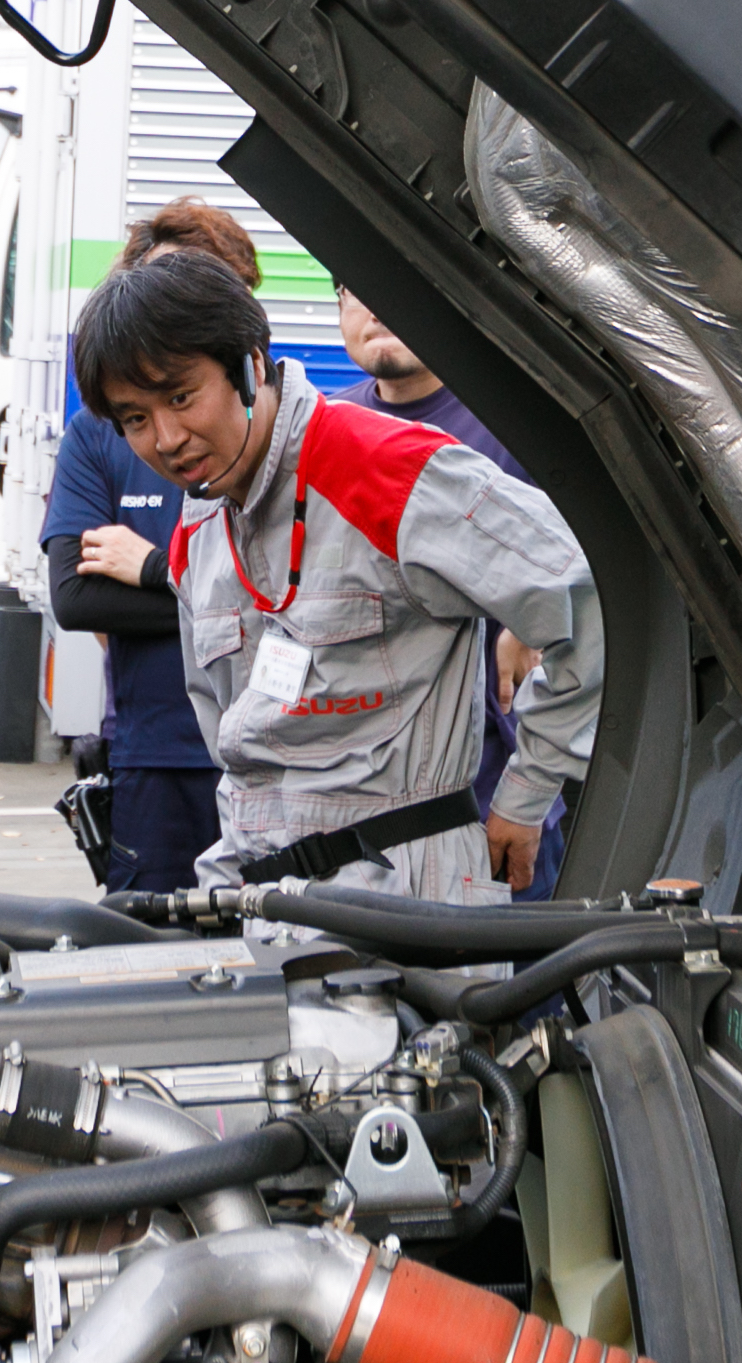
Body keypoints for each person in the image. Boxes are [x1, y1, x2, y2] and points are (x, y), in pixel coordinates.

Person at [72, 252, 601, 900]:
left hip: (409, 907)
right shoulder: (199, 529)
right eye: (135, 420)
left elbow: (585, 601)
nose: (166, 437)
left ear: (249, 364)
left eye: (181, 397)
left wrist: (526, 795)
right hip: (270, 903)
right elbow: (237, 755)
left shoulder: (388, 467)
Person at [43, 198, 261, 893]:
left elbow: (305, 592)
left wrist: (152, 568)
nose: (165, 437)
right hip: (158, 752)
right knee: (153, 965)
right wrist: (229, 595)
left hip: (281, 754)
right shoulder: (101, 432)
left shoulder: (287, 437)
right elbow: (75, 597)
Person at [337, 282, 568, 896]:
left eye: (385, 279)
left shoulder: (520, 429)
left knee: (513, 984)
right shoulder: (327, 436)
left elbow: (592, 580)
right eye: (353, 290)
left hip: (492, 794)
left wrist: (530, 620)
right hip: (355, 809)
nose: (376, 303)